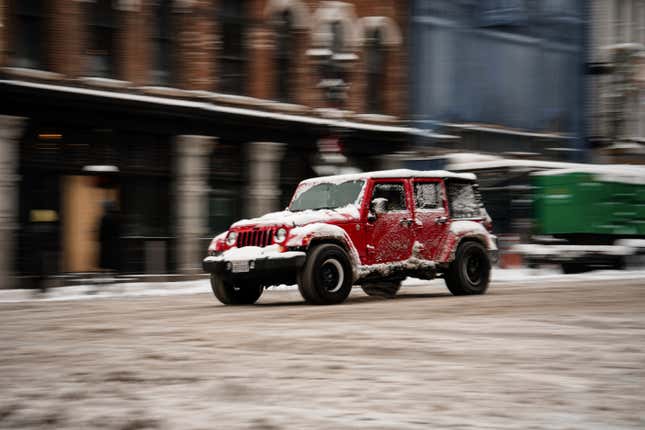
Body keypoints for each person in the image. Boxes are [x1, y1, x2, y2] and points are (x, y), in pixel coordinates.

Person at [98, 201, 122, 276]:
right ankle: (114, 271)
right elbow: (119, 230)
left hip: (106, 241)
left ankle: (106, 271)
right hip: (114, 241)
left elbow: (102, 230)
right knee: (113, 257)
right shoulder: (117, 217)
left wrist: (100, 239)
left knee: (106, 257)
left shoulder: (105, 217)